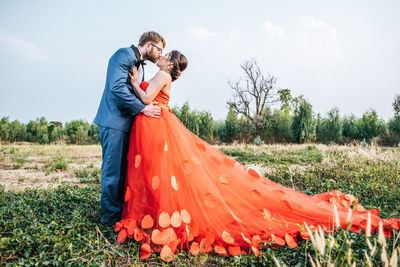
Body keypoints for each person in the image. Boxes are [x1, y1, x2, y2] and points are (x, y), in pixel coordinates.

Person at [115, 51, 400, 262]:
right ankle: (155, 215)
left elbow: (148, 99)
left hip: (156, 126)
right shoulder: (159, 73)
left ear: (171, 65)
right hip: (151, 126)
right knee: (159, 175)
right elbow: (147, 94)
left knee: (162, 174)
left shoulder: (163, 75)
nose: (161, 56)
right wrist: (137, 81)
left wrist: (133, 85)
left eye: (165, 56)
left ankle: (158, 217)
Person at [93, 31, 165, 225]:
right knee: (112, 170)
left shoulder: (139, 64)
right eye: (159, 49)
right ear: (149, 45)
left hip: (126, 124)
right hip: (114, 122)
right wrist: (143, 108)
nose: (160, 54)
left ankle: (118, 211)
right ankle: (109, 217)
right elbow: (116, 88)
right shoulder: (123, 55)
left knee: (123, 170)